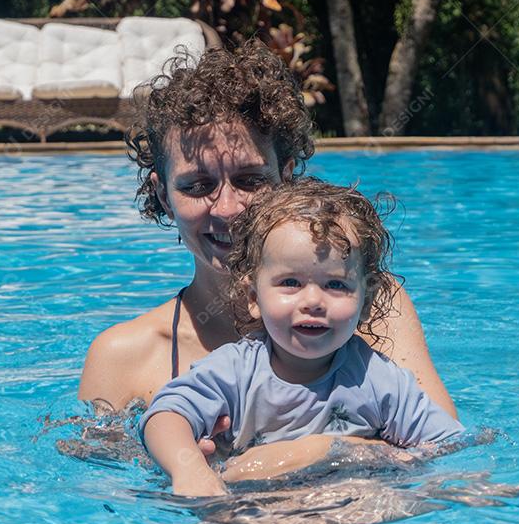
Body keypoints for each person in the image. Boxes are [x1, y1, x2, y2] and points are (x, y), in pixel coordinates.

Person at [77, 40, 455, 478]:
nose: (227, 209)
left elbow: (444, 459)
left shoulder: (375, 307)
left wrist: (308, 453)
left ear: (288, 175)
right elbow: (96, 497)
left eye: (250, 179)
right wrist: (187, 468)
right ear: (163, 195)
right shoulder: (123, 356)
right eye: (197, 186)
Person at [142, 179, 464, 496]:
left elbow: (448, 445)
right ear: (253, 297)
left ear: (366, 302)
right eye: (290, 283)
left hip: (349, 519)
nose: (312, 301)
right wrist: (189, 470)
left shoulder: (378, 380)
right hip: (251, 518)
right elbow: (165, 415)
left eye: (335, 285)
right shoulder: (236, 371)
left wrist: (352, 454)